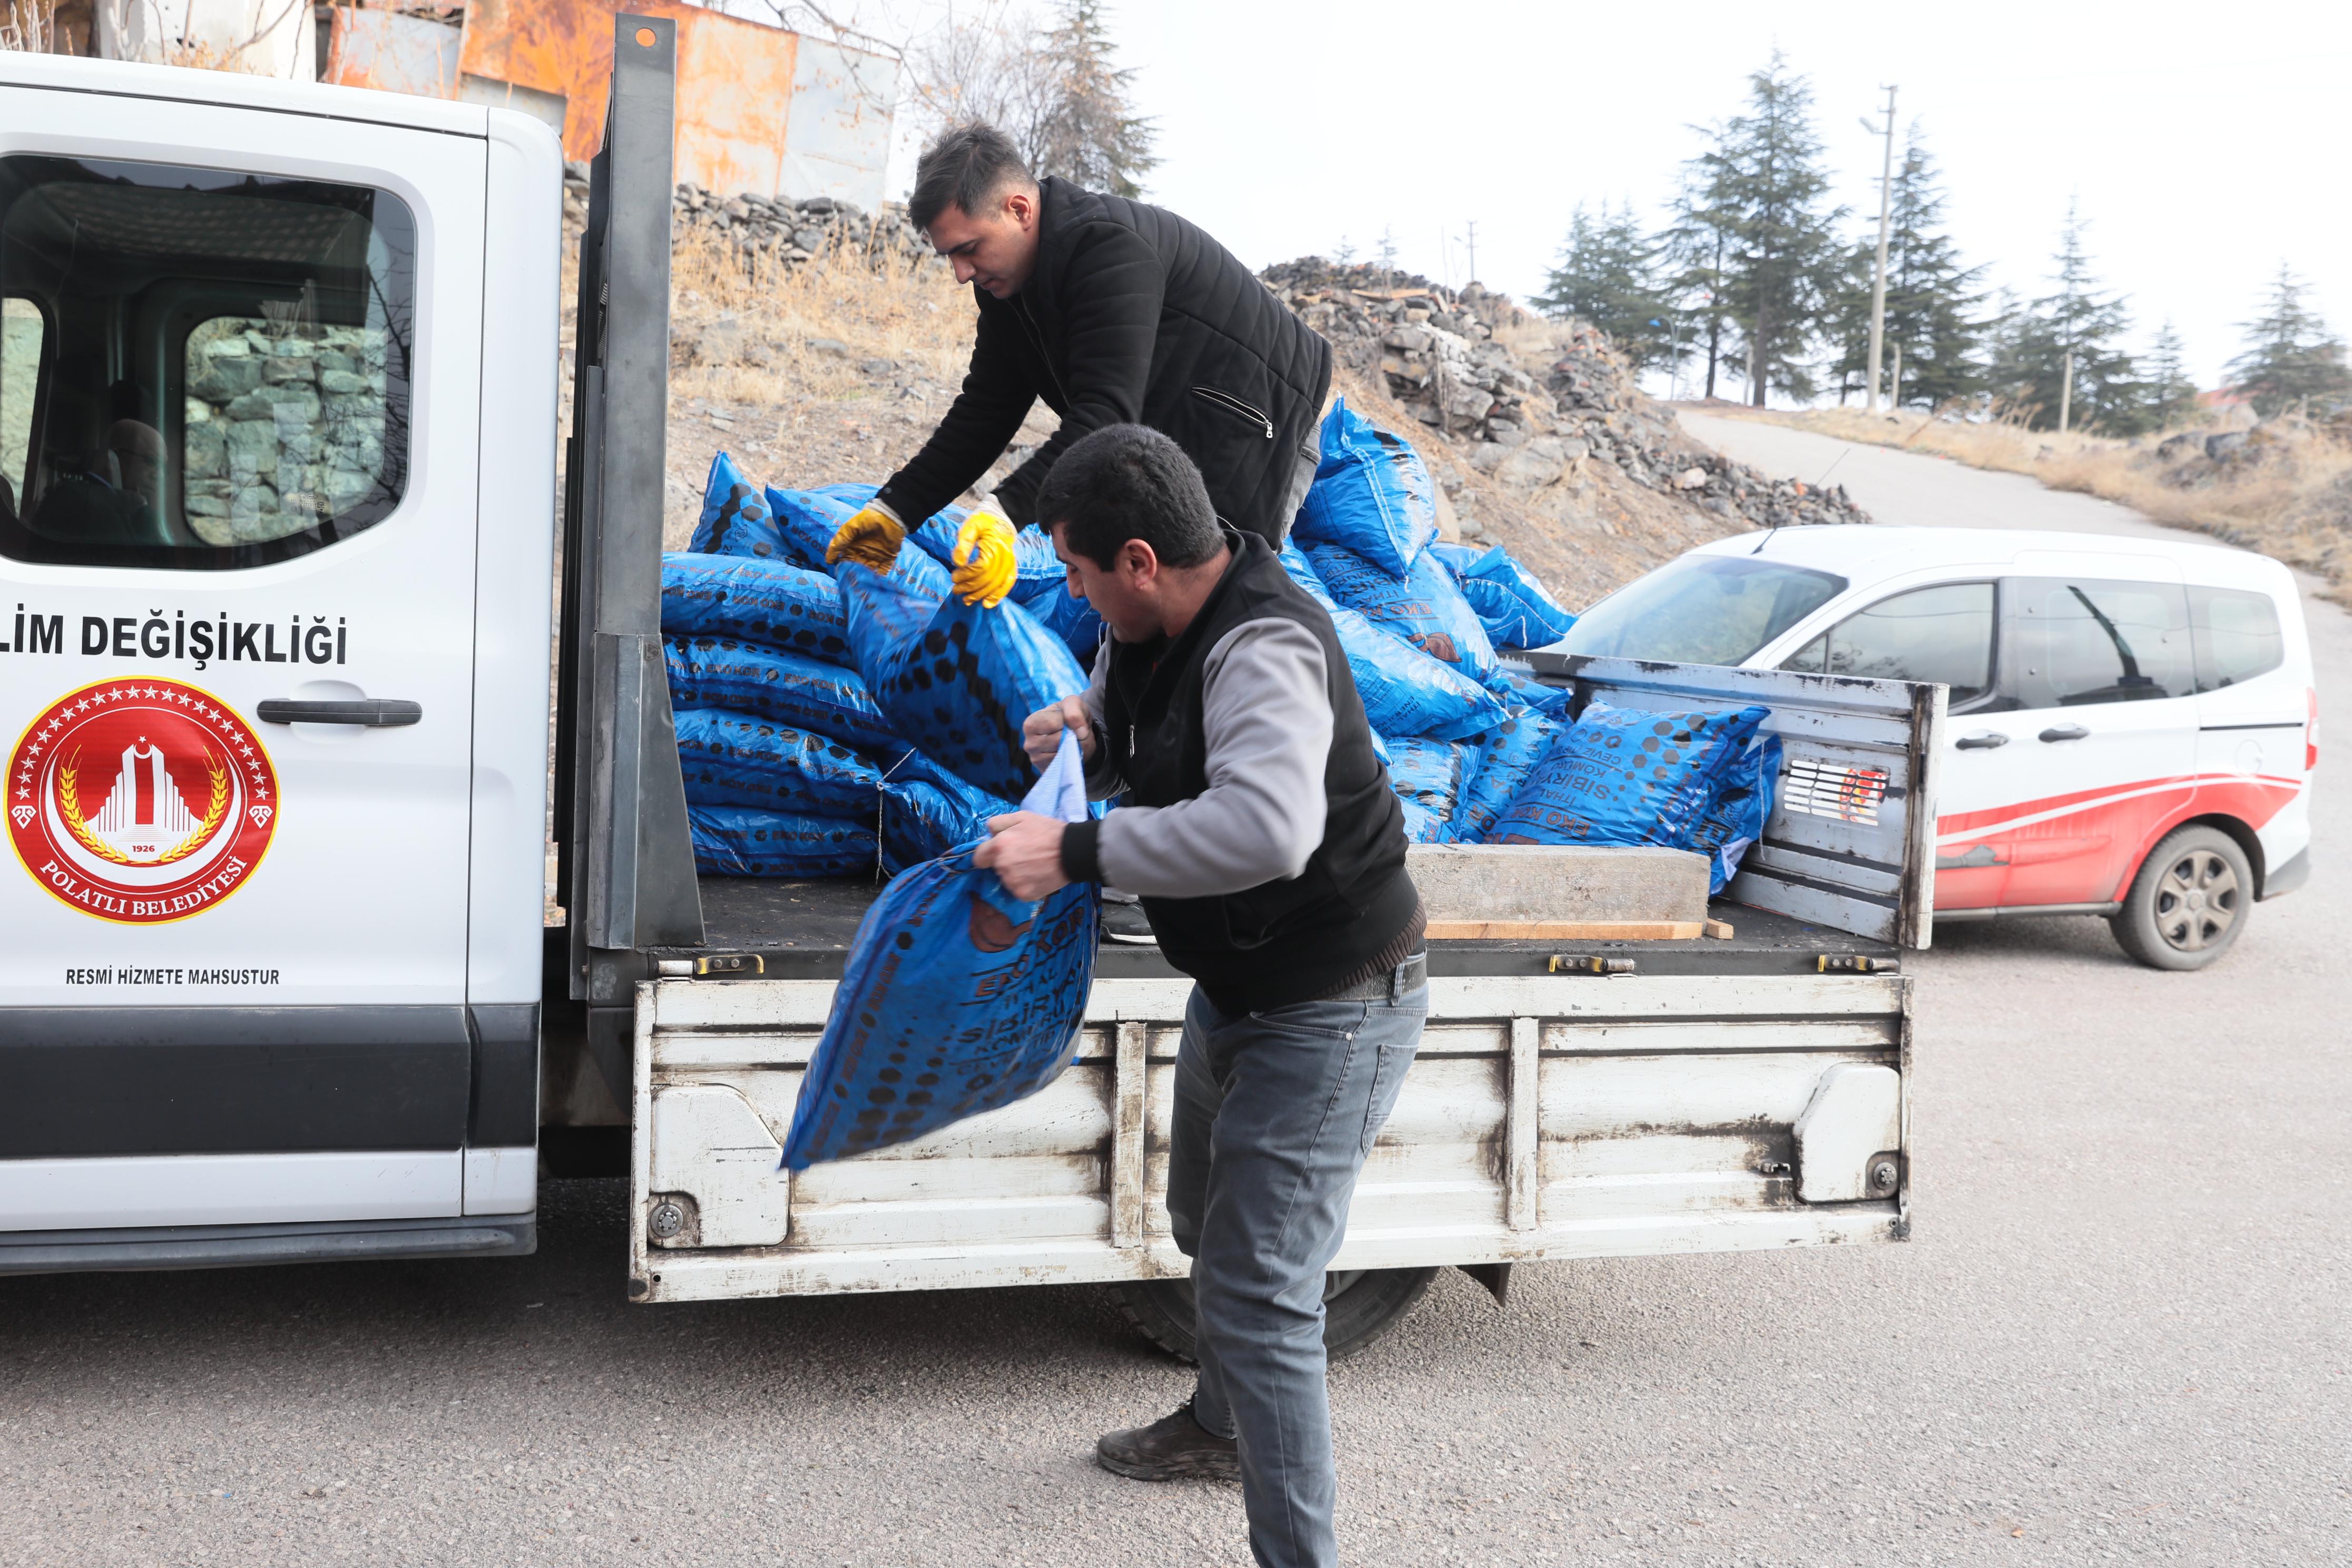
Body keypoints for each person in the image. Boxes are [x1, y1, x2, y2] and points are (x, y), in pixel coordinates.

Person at [973, 424, 1424, 1568]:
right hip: (1240, 988)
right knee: (1199, 1230)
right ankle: (1222, 1431)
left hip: (1334, 998)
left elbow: (1269, 828)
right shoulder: (1153, 621)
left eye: (1076, 570)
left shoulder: (1263, 644)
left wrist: (1076, 850)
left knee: (1263, 1295)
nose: (1069, 591)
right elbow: (1159, 733)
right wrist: (1088, 731)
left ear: (1137, 560)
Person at [824, 123, 1331, 575]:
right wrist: (897, 509)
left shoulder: (1109, 248)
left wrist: (1006, 512)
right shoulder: (1006, 286)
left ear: (1018, 209)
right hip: (1168, 420)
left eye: (969, 248)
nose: (960, 273)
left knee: (1211, 589)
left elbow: (1107, 414)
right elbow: (986, 412)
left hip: (1261, 420)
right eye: (949, 256)